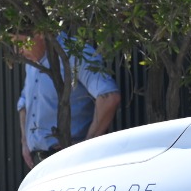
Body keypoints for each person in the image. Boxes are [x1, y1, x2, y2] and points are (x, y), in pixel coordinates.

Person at [17, 33, 120, 168]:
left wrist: (86, 146)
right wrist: (25, 141)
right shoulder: (32, 62)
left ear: (40, 34)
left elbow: (109, 96)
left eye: (21, 44)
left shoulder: (75, 53)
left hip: (71, 162)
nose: (18, 51)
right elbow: (24, 101)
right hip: (38, 164)